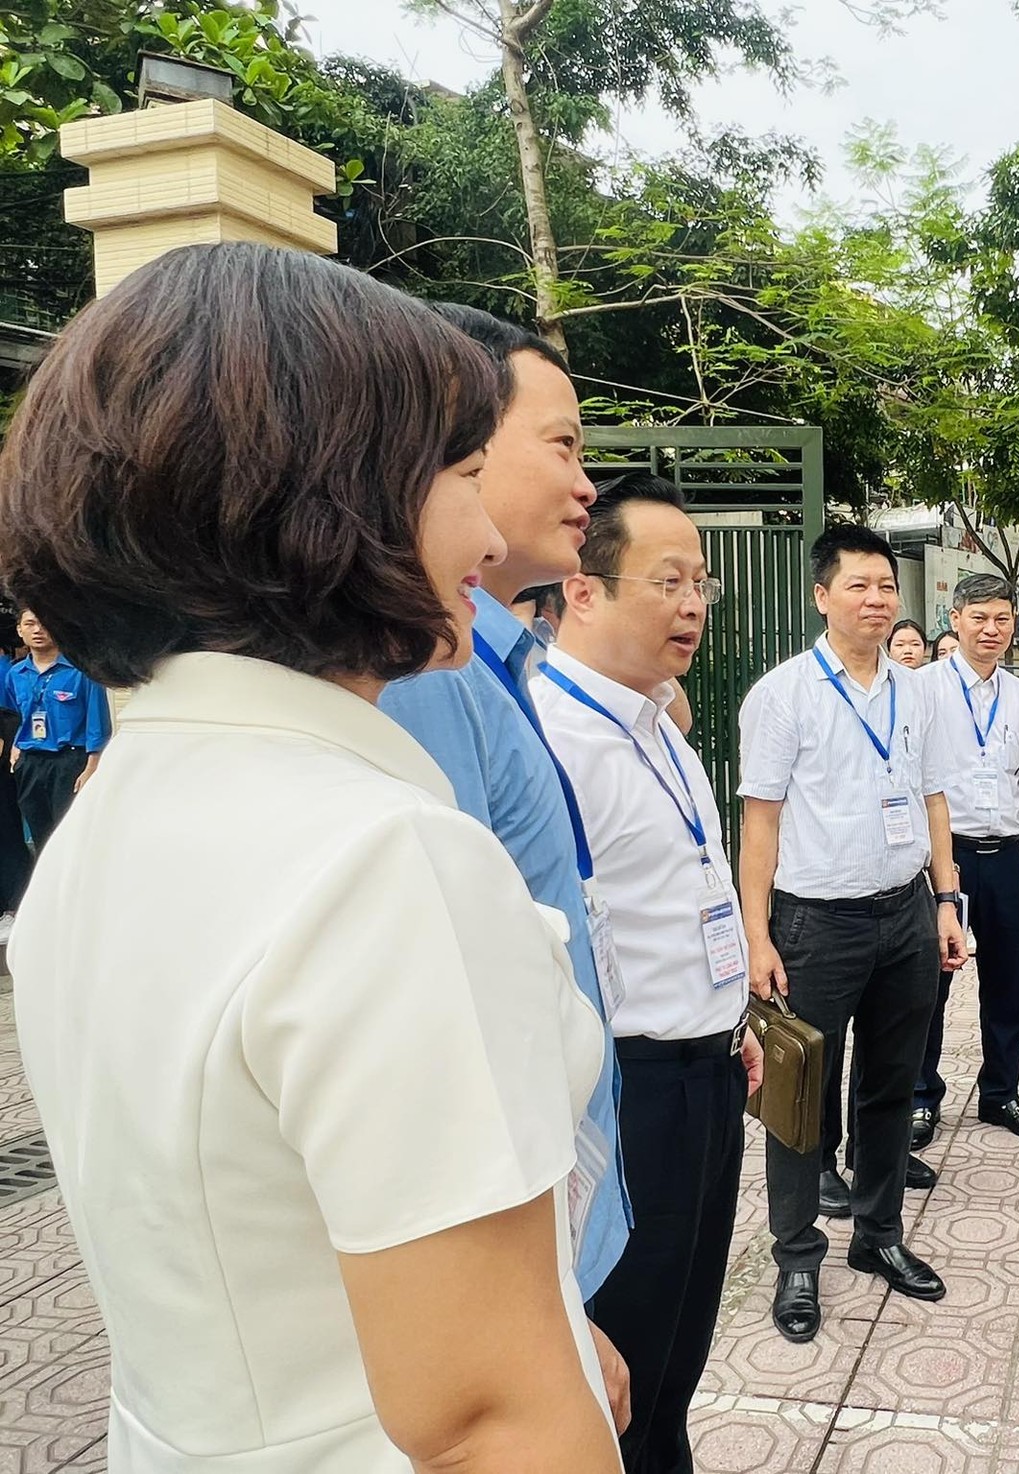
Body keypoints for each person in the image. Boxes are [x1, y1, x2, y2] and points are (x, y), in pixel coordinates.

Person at [0, 244, 622, 1468]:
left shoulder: (113, 813)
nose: (486, 537)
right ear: (334, 500)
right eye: (456, 473)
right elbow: (491, 1422)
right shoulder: (382, 859)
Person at [376, 306, 631, 1381]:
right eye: (564, 445)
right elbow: (447, 1025)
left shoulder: (495, 655)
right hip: (528, 1254)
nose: (588, 484)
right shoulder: (424, 668)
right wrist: (543, 1328)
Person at [534, 471, 764, 1473]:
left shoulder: (654, 716)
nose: (691, 604)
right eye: (668, 579)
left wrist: (731, 1018)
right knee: (619, 1371)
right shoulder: (552, 738)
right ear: (583, 590)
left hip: (707, 1076)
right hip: (629, 1099)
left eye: (701, 583)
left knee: (672, 1363)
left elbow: (677, 898)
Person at [738, 524, 968, 1344]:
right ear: (821, 595)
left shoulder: (920, 691)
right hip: (815, 923)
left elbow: (933, 798)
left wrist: (948, 902)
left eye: (885, 587)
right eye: (858, 586)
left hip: (905, 912)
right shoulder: (783, 693)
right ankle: (798, 1257)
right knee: (798, 1097)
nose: (876, 600)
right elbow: (759, 822)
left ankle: (878, 1237)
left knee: (888, 1084)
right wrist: (757, 938)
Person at [916, 572, 1019, 1145]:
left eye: (1002, 619)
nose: (991, 630)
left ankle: (1001, 1094)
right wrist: (930, 867)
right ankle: (922, 1098)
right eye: (979, 618)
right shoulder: (920, 690)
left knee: (1008, 985)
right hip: (942, 863)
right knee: (929, 989)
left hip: (1004, 861)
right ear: (955, 621)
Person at [2, 608, 111, 855]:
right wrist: (16, 746)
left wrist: (92, 766)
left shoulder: (81, 672)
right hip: (30, 763)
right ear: (20, 630)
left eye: (45, 623)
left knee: (72, 834)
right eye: (30, 624)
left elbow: (98, 722)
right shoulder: (15, 674)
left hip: (70, 762)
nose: (38, 630)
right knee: (41, 836)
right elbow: (12, 717)